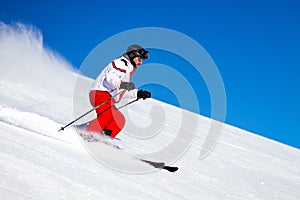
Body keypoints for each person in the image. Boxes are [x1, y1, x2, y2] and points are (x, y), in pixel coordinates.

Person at [85, 44, 151, 139]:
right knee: (107, 117)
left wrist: (137, 93)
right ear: (133, 55)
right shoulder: (121, 63)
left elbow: (120, 92)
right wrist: (124, 85)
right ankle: (88, 135)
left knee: (119, 119)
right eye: (139, 59)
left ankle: (104, 138)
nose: (140, 63)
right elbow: (111, 79)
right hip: (100, 92)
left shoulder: (128, 70)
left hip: (108, 96)